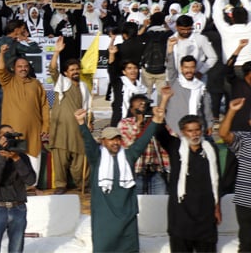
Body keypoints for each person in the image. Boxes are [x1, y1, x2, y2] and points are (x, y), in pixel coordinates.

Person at [76, 106, 163, 253]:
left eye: (117, 139)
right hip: (104, 218)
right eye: (111, 140)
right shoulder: (97, 159)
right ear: (103, 141)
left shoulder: (128, 157)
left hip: (127, 217)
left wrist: (155, 121)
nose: (115, 143)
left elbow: (143, 140)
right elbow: (88, 143)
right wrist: (81, 123)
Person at [154, 97, 221, 253]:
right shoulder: (175, 147)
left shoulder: (210, 150)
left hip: (205, 216)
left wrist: (217, 207)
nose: (194, 134)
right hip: (181, 215)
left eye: (197, 129)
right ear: (183, 132)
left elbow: (217, 181)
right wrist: (164, 101)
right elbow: (158, 130)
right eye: (190, 131)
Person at [0, 43, 49, 182]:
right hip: (13, 131)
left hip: (33, 130)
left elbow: (44, 105)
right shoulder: (8, 81)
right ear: (14, 68)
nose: (23, 69)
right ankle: (16, 188)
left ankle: (33, 186)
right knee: (14, 157)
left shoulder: (36, 84)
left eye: (25, 66)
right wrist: (1, 53)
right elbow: (1, 68)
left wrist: (45, 126)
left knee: (34, 157)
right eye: (19, 66)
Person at [0, 124, 37, 253]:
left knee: (16, 249)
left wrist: (16, 159)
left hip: (18, 208)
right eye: (6, 136)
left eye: (12, 135)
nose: (10, 139)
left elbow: (31, 180)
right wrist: (2, 159)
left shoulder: (22, 157)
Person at [48, 36, 89, 194]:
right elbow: (53, 70)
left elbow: (86, 107)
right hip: (61, 131)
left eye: (77, 69)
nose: (75, 72)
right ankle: (60, 185)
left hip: (78, 130)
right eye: (72, 70)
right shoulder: (62, 83)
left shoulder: (84, 87)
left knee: (80, 160)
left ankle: (83, 184)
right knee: (60, 160)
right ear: (66, 73)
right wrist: (57, 52)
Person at [118, 93, 170, 194]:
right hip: (136, 171)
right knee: (138, 204)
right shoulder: (125, 123)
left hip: (156, 170)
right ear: (132, 110)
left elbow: (170, 138)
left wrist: (158, 120)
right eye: (138, 108)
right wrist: (139, 123)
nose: (142, 110)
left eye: (144, 107)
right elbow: (129, 144)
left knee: (159, 203)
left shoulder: (155, 123)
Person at [219, 97, 251, 251]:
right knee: (246, 244)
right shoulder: (244, 139)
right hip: (246, 201)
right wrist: (231, 111)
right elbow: (224, 134)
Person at [164, 37, 213, 136]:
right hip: (175, 128)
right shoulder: (175, 82)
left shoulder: (201, 86)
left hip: (195, 130)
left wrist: (209, 124)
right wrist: (170, 47)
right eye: (186, 67)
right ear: (181, 68)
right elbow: (170, 66)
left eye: (191, 67)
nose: (189, 70)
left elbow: (206, 107)